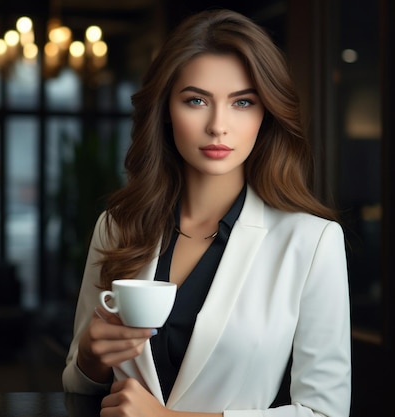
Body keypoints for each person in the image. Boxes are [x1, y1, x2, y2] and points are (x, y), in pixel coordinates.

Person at [62, 8, 351, 417]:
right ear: (166, 110)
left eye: (242, 102)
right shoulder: (116, 227)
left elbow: (325, 411)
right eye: (196, 100)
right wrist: (91, 354)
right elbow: (76, 384)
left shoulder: (311, 241)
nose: (218, 125)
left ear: (265, 114)